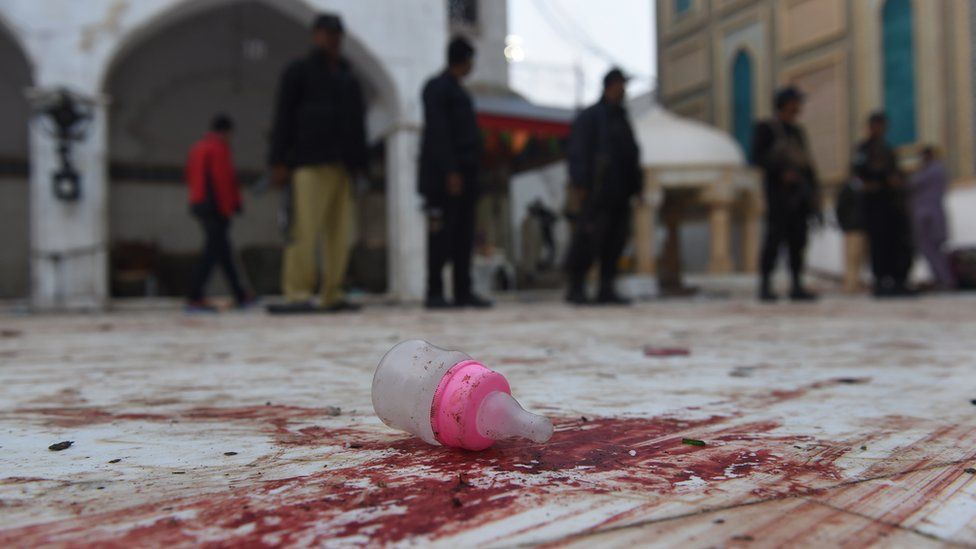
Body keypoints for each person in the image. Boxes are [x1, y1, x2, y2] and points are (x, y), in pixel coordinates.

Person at [266, 13, 366, 314]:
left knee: (340, 235)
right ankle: (297, 294)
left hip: (343, 166)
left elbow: (358, 125)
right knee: (304, 230)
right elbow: (283, 117)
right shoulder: (299, 72)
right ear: (315, 36)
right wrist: (278, 160)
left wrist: (360, 165)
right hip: (308, 163)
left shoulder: (348, 78)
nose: (331, 39)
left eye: (336, 34)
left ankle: (332, 294)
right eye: (326, 33)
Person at [418, 37, 491, 309]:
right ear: (464, 59)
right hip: (442, 179)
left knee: (463, 236)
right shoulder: (437, 89)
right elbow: (439, 132)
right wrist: (450, 170)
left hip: (466, 177)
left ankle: (463, 291)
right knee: (440, 237)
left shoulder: (460, 92)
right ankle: (435, 292)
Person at [564, 68, 641, 305]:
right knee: (588, 240)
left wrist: (637, 187)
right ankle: (576, 287)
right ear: (611, 85)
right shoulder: (592, 117)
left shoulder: (621, 117)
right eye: (621, 84)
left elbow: (632, 154)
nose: (624, 90)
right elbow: (578, 151)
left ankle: (606, 287)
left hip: (620, 192)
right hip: (597, 192)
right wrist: (580, 183)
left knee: (615, 241)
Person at [752, 87, 821, 302]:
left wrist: (814, 193)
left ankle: (796, 285)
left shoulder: (797, 132)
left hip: (799, 196)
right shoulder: (767, 128)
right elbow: (757, 157)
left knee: (798, 241)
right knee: (774, 240)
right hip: (778, 195)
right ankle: (765, 286)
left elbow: (807, 165)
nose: (798, 107)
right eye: (794, 102)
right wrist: (781, 172)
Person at [185, 114, 254, 312]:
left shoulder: (198, 148)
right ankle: (194, 296)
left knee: (223, 252)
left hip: (199, 204)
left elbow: (189, 176)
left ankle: (240, 295)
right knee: (213, 252)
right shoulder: (218, 149)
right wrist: (233, 205)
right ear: (226, 132)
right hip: (215, 207)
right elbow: (224, 180)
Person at [853, 112, 914, 297]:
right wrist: (871, 184)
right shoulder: (864, 149)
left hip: (891, 204)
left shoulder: (887, 149)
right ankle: (880, 281)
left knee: (896, 243)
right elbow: (857, 174)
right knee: (878, 244)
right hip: (875, 204)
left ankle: (898, 281)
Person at [908, 146, 956, 290]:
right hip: (933, 213)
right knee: (934, 249)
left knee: (930, 248)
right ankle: (943, 279)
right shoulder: (939, 170)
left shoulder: (931, 171)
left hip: (927, 215)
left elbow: (912, 184)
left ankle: (945, 280)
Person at [835, 176, 868, 293]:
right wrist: (845, 224)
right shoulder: (848, 190)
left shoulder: (864, 188)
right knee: (851, 257)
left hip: (862, 227)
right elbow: (841, 209)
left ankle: (856, 283)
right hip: (852, 227)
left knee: (861, 258)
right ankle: (850, 285)